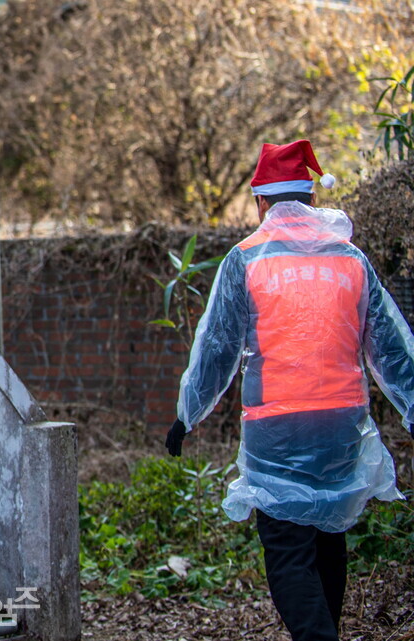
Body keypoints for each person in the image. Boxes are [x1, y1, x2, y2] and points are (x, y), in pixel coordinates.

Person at [165, 139, 414, 641]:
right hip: (343, 424)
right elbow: (392, 349)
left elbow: (216, 348)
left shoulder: (247, 258)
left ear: (261, 201)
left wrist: (186, 415)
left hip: (277, 426)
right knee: (328, 535)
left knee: (285, 549)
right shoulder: (350, 259)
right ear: (311, 199)